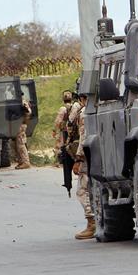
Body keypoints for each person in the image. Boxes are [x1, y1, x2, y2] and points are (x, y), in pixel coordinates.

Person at [69, 92, 94, 239]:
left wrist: (78, 159)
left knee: (82, 190)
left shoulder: (85, 112)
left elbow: (84, 137)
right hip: (96, 155)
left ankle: (92, 223)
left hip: (86, 157)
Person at [52, 90, 73, 162]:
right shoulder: (74, 107)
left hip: (64, 131)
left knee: (60, 146)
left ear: (63, 99)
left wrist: (54, 130)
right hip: (73, 131)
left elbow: (58, 121)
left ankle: (60, 161)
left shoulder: (63, 108)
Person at [15, 97, 33, 169]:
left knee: (21, 144)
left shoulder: (23, 102)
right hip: (20, 124)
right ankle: (21, 162)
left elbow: (28, 111)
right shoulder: (21, 102)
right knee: (18, 145)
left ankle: (26, 162)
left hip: (21, 125)